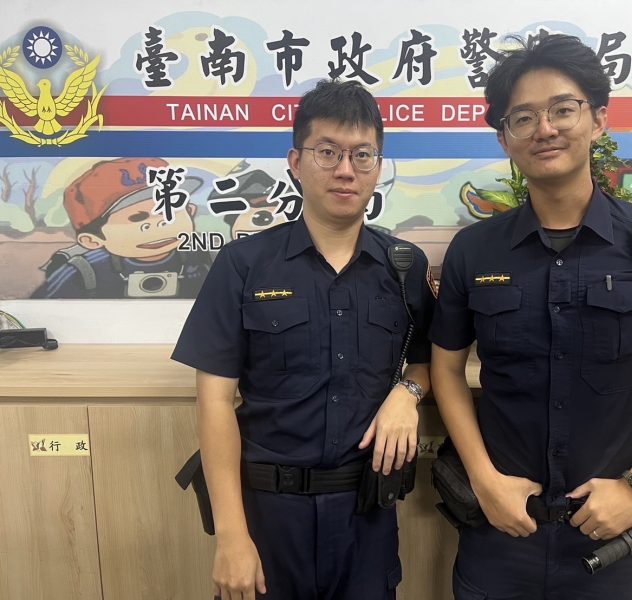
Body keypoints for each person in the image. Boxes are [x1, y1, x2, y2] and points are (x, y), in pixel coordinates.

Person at [429, 33, 632, 599]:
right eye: (523, 117)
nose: (544, 129)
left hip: (610, 540)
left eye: (562, 109)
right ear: (504, 138)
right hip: (499, 531)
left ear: (598, 119)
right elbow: (447, 369)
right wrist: (484, 480)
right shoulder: (474, 251)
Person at [172, 79, 435, 600]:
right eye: (327, 152)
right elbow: (215, 401)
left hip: (366, 516)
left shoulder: (404, 267)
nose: (345, 170)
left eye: (362, 155)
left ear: (378, 166)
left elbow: (428, 362)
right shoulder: (244, 265)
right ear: (295, 162)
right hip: (268, 518)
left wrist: (407, 395)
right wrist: (231, 536)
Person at [31, 157, 210, 299]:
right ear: (91, 240)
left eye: (168, 209)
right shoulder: (83, 272)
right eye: (137, 218)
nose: (160, 223)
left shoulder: (208, 260)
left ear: (190, 211)